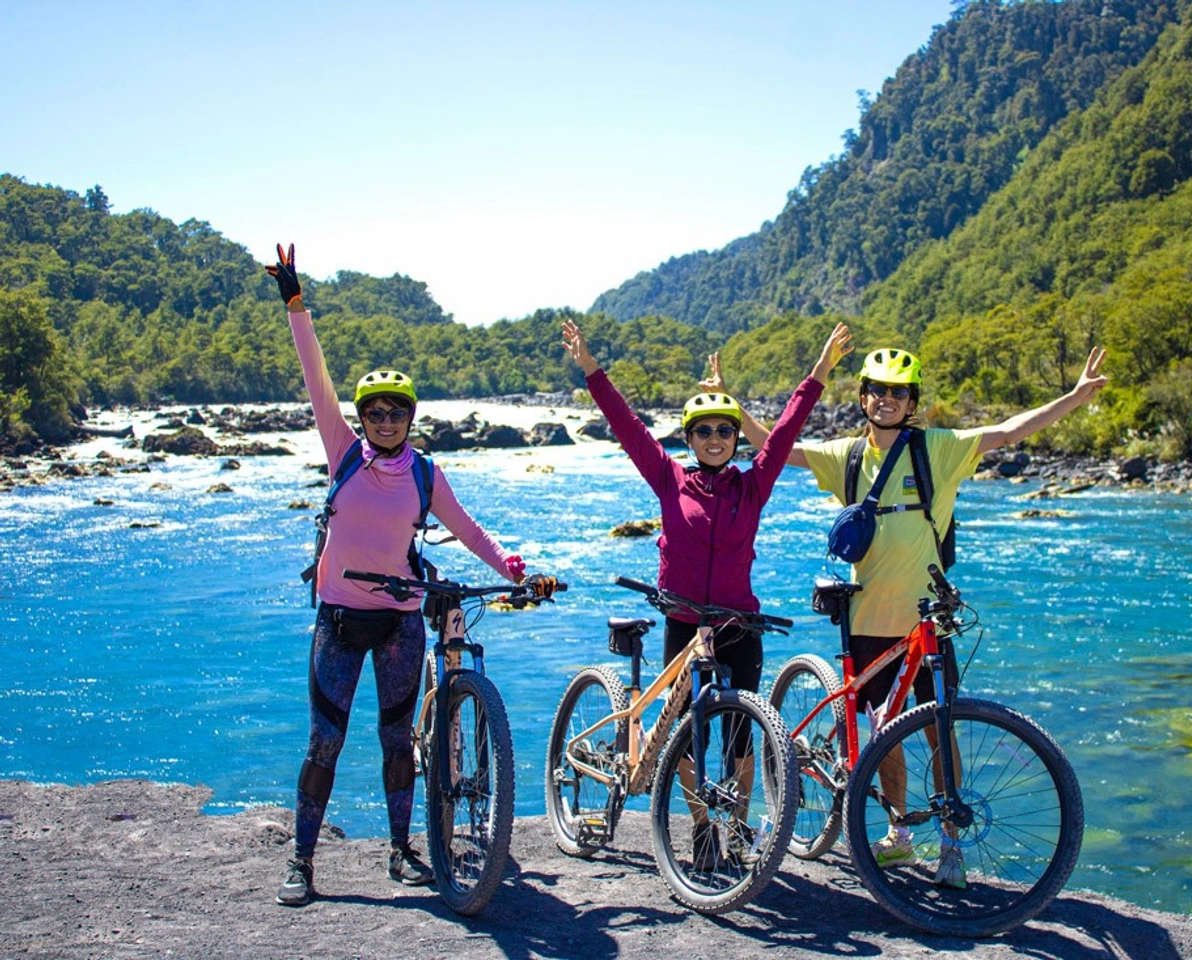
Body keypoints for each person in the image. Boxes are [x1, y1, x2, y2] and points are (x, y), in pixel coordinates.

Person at [723, 343, 1108, 887]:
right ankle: (899, 833)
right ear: (863, 398)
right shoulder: (847, 455)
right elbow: (776, 447)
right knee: (883, 732)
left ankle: (952, 845)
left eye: (898, 392)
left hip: (926, 620)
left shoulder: (937, 450)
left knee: (938, 730)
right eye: (877, 390)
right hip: (866, 618)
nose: (886, 399)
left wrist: (1073, 398)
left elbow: (1007, 432)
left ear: (911, 401)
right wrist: (730, 403)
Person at [267, 244, 530, 907]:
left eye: (396, 412)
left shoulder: (424, 474)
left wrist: (510, 567)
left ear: (411, 417)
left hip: (399, 625)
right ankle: (302, 860)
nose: (385, 421)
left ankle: (401, 849)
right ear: (361, 418)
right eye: (375, 412)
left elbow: (468, 529)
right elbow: (315, 377)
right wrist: (296, 305)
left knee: (396, 742)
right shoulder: (342, 452)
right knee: (325, 742)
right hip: (339, 620)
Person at [560, 317, 851, 867]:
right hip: (685, 624)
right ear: (689, 439)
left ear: (735, 438)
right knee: (687, 736)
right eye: (703, 432)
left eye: (724, 431)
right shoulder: (669, 478)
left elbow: (786, 430)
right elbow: (627, 427)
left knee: (741, 735)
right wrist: (591, 369)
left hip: (739, 625)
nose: (714, 439)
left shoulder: (753, 484)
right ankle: (700, 829)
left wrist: (819, 372)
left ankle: (736, 830)